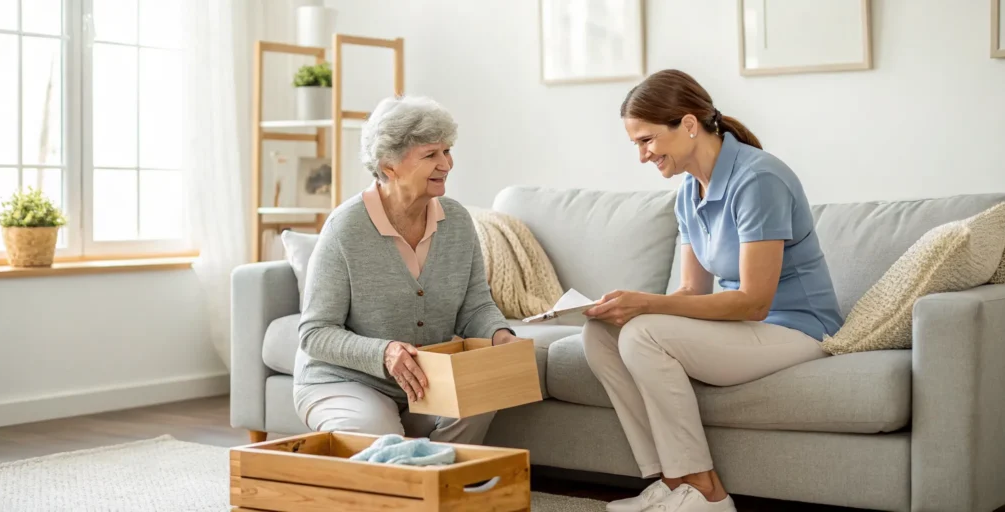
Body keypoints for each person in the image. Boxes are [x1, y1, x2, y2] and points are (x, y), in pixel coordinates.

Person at [582, 70, 844, 512]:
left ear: (687, 125)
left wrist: (645, 304)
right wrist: (619, 307)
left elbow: (755, 302)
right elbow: (691, 289)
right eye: (637, 145)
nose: (643, 156)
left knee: (643, 333)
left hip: (798, 330)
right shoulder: (689, 191)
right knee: (601, 335)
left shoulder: (758, 179)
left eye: (646, 140)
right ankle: (672, 483)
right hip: (743, 329)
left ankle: (707, 494)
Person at [292, 95, 520, 444]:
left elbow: (475, 306)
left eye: (447, 151)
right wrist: (385, 353)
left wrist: (500, 338)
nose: (446, 163)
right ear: (388, 167)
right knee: (377, 435)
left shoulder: (457, 221)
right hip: (347, 381)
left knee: (481, 393)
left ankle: (436, 480)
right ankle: (412, 473)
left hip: (426, 384)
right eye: (431, 155)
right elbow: (315, 333)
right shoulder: (346, 228)